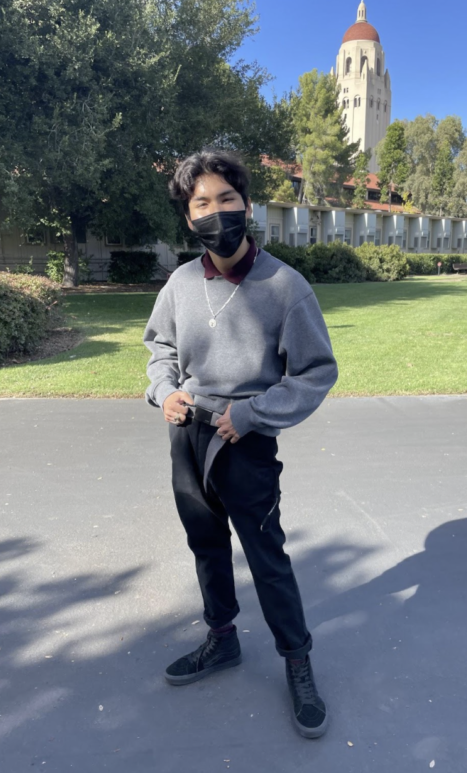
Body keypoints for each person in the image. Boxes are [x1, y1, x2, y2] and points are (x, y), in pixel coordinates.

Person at [143, 148, 338, 739]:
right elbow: (161, 350)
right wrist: (164, 391)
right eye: (202, 202)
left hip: (244, 442)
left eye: (227, 199)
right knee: (206, 545)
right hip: (188, 436)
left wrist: (253, 413)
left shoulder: (285, 286)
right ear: (189, 216)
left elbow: (315, 372)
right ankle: (221, 640)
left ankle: (297, 661)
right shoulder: (178, 283)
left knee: (266, 557)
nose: (216, 212)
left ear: (246, 206)